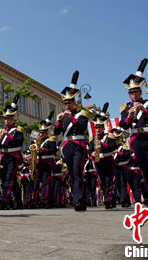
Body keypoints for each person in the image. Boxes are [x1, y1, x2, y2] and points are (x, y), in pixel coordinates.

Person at [119, 59, 148, 210]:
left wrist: (145, 111)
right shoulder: (125, 108)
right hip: (137, 140)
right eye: (131, 93)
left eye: (135, 92)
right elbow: (123, 125)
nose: (133, 95)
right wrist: (130, 116)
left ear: (140, 91)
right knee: (145, 170)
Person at [54, 71, 89, 211]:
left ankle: (80, 199)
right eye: (66, 103)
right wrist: (59, 122)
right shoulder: (63, 116)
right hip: (67, 145)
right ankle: (76, 198)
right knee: (70, 173)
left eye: (70, 103)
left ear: (75, 102)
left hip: (78, 145)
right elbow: (56, 133)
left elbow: (82, 128)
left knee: (77, 172)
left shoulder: (82, 114)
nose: (67, 105)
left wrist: (73, 118)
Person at [0, 95, 25, 210]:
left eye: (8, 119)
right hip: (4, 156)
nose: (6, 120)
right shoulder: (2, 131)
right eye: (5, 119)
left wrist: (8, 136)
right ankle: (17, 203)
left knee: (9, 178)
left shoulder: (18, 129)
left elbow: (19, 142)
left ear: (12, 119)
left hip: (13, 156)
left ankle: (3, 201)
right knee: (8, 181)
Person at [88, 105, 117, 209]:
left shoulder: (109, 136)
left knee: (109, 180)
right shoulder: (92, 138)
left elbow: (112, 147)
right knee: (102, 181)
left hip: (108, 160)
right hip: (98, 161)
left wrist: (102, 144)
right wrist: (92, 154)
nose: (98, 129)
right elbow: (90, 150)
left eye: (100, 127)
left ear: (103, 128)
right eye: (96, 127)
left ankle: (108, 200)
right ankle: (110, 198)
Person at [32, 111, 59, 209]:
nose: (41, 134)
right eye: (40, 132)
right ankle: (38, 201)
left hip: (47, 163)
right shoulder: (37, 141)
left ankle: (44, 200)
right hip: (39, 163)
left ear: (46, 132)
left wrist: (43, 149)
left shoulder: (50, 140)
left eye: (43, 133)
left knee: (46, 182)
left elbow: (53, 150)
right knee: (37, 183)